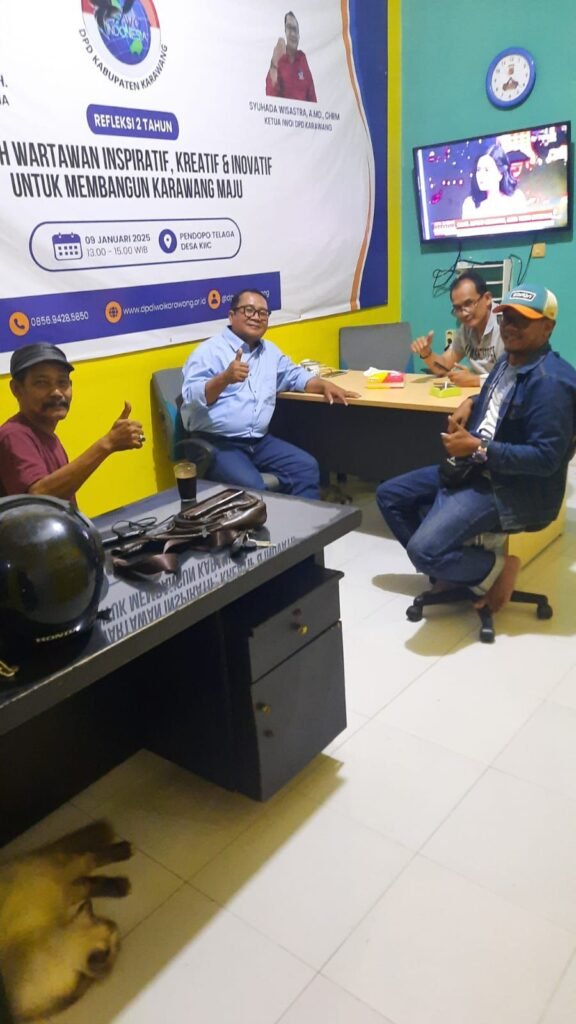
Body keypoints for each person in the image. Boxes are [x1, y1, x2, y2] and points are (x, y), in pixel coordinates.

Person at [377, 284, 576, 613]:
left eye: (522, 320)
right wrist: (471, 401)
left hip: (510, 488)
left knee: (423, 551)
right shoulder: (508, 361)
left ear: (548, 327)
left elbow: (546, 459)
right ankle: (457, 569)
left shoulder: (550, 383)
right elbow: (497, 400)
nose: (510, 327)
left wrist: (478, 447)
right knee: (390, 495)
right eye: (506, 318)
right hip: (475, 467)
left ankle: (496, 569)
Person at [180, 289, 358, 499]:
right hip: (218, 443)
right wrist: (224, 378)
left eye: (263, 313)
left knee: (306, 467)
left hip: (259, 442)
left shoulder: (270, 352)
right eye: (249, 310)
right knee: (253, 487)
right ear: (231, 315)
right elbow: (192, 398)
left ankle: (303, 521)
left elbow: (294, 375)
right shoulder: (208, 352)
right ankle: (264, 521)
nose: (256, 317)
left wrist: (323, 384)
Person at [0, 343, 144, 505]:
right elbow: (38, 498)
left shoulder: (48, 436)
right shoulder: (13, 435)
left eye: (62, 382)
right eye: (42, 383)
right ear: (17, 389)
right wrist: (107, 443)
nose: (56, 392)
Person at [411, 269, 505, 387]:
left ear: (487, 298)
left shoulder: (507, 324)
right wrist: (426, 354)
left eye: (468, 304)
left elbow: (515, 377)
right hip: (480, 393)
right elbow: (444, 367)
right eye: (458, 308)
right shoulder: (466, 328)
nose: (464, 313)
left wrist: (476, 380)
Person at [461, 142, 527, 219]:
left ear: (500, 174)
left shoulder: (516, 199)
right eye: (478, 170)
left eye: (486, 170)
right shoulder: (470, 204)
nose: (481, 175)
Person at [266, 11, 317, 102]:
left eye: (295, 29)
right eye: (289, 28)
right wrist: (274, 63)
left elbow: (312, 96)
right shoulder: (278, 58)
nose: (293, 34)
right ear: (285, 31)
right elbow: (270, 96)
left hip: (302, 111)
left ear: (299, 36)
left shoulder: (302, 58)